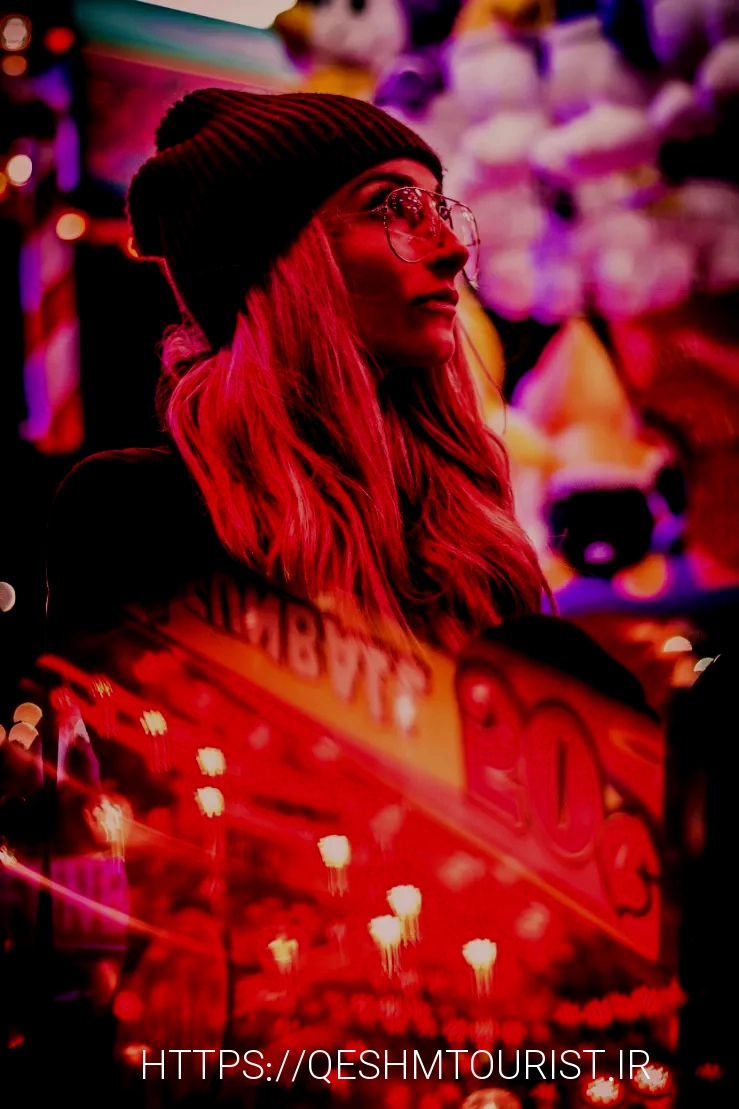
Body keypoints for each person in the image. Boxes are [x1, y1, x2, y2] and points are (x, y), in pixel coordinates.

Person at [46, 89, 547, 656]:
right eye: (393, 207)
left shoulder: (470, 533)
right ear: (277, 257)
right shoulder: (139, 514)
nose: (453, 249)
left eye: (439, 211)